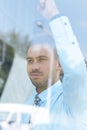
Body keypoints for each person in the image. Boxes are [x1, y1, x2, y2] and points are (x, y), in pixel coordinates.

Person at [23, 0, 87, 129]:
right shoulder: (25, 107)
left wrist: (53, 15)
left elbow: (76, 72)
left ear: (59, 65)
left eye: (42, 59)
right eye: (30, 60)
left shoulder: (72, 100)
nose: (34, 66)